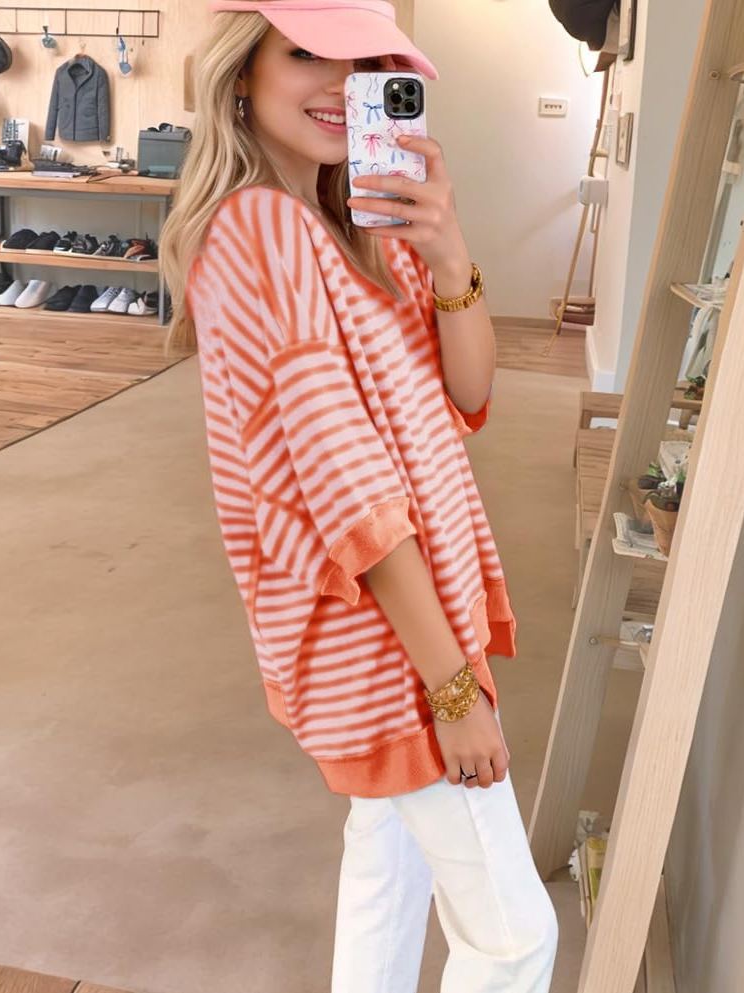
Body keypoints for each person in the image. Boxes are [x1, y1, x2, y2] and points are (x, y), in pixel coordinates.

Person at [160, 2, 558, 990]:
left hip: (406, 628)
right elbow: (346, 487)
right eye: (308, 53)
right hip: (388, 645)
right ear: (241, 73)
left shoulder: (356, 231)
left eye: (367, 63)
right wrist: (450, 689)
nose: (343, 85)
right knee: (513, 940)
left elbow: (466, 392)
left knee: (388, 876)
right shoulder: (260, 230)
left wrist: (449, 248)